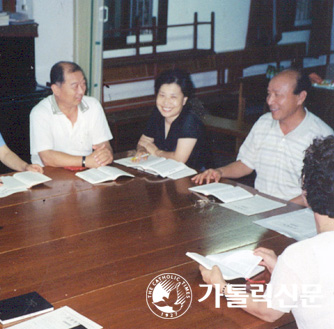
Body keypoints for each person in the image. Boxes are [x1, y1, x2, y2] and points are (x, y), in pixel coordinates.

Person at [200, 135, 334, 328]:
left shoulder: (301, 254)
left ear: (306, 191)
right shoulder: (299, 259)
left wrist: (221, 286)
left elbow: (268, 312)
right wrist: (283, 269)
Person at [192, 69, 333, 204]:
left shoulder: (323, 136)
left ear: (300, 97)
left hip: (299, 214)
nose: (270, 101)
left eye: (277, 95)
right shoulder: (264, 122)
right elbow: (246, 164)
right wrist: (219, 172)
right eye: (269, 94)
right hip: (261, 205)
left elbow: (320, 193)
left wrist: (281, 209)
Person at [30, 61, 114, 168]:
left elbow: (104, 145)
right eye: (74, 86)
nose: (81, 91)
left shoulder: (93, 105)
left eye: (83, 84)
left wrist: (106, 153)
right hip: (51, 174)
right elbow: (47, 158)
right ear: (56, 89)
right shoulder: (40, 113)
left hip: (86, 172)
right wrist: (84, 161)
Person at [133, 69, 210, 170]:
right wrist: (142, 150)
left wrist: (156, 152)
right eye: (162, 95)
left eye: (173, 97)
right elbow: (143, 142)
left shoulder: (190, 120)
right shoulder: (158, 113)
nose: (166, 102)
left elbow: (179, 159)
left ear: (184, 100)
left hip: (195, 176)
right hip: (166, 171)